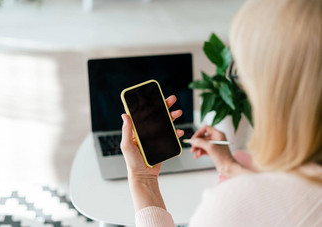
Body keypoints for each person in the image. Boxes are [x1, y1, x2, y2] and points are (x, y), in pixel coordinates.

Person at [120, 0, 322, 226]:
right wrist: (230, 167)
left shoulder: (232, 206)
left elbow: (275, 205)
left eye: (241, 72)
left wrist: (142, 181)